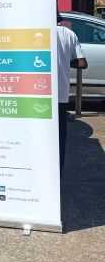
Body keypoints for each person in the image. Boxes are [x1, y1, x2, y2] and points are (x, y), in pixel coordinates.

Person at [56, 16, 87, 172]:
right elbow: (82, 63)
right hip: (61, 95)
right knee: (59, 139)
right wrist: (66, 60)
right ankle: (58, 173)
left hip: (34, 94)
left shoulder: (33, 31)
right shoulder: (68, 34)